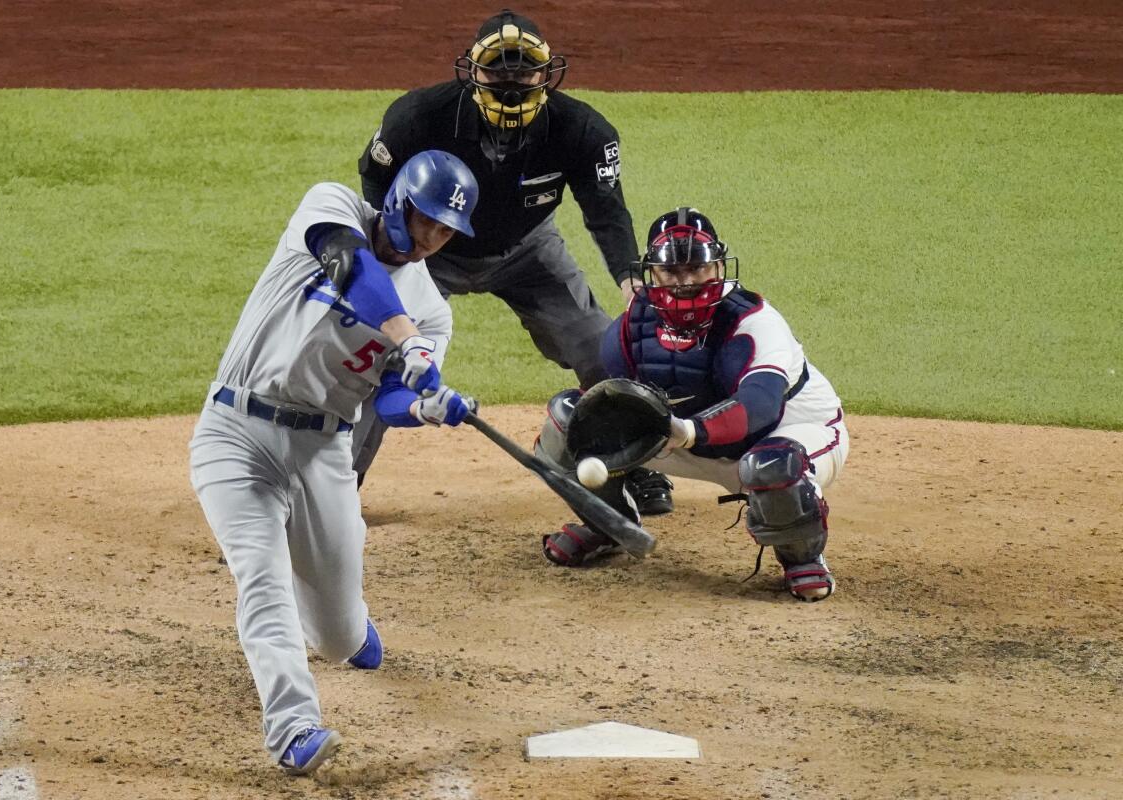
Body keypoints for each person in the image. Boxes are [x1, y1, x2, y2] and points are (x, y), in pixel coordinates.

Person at [188, 150, 479, 775]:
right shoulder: (333, 206)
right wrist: (408, 340)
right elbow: (352, 268)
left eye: (446, 230)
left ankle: (349, 625)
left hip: (323, 452)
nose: (431, 238)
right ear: (397, 199)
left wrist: (428, 405)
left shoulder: (433, 310)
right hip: (233, 433)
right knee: (263, 579)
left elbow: (392, 398)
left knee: (339, 638)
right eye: (425, 219)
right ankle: (293, 728)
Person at [354, 7, 673, 515]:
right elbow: (374, 181)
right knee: (380, 354)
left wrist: (629, 278)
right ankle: (341, 483)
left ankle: (634, 464)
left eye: (522, 70)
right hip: (430, 250)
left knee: (604, 350)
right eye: (497, 69)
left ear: (545, 75)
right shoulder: (420, 116)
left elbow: (605, 209)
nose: (509, 82)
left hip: (528, 251)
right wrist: (394, 252)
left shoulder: (582, 130)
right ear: (473, 71)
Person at [536, 207, 849, 601]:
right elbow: (614, 409)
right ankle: (608, 524)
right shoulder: (631, 330)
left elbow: (761, 405)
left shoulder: (754, 323)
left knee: (771, 466)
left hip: (786, 431)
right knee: (570, 421)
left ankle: (801, 557)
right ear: (653, 272)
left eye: (696, 269)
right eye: (671, 271)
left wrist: (689, 431)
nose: (684, 282)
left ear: (717, 267)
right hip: (684, 440)